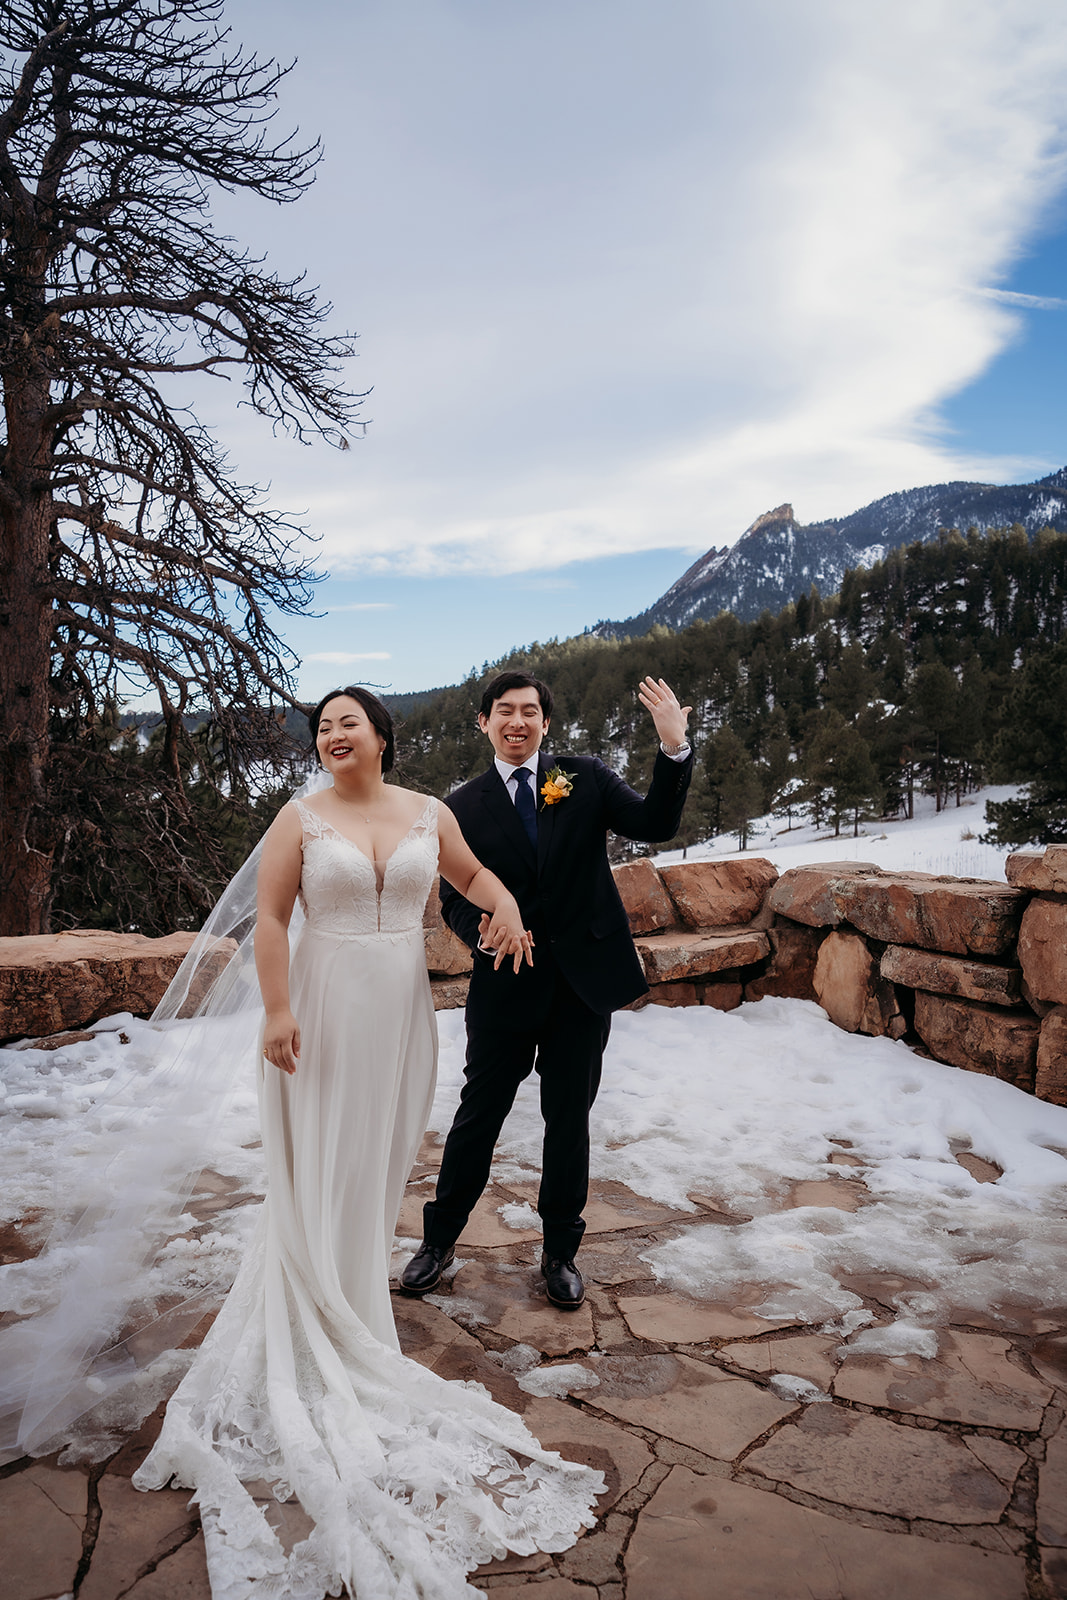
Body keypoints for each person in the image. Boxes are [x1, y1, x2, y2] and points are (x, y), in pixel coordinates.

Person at [130, 688, 604, 1599]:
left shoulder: (427, 812)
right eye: (322, 727)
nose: (333, 735)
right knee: (325, 1165)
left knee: (379, 1162)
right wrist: (275, 1009)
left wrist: (505, 908)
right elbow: (269, 921)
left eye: (349, 722)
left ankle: (355, 1301)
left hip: (400, 1012)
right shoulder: (298, 819)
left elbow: (471, 880)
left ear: (381, 736)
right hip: (321, 1008)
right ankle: (328, 1316)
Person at [402, 672, 693, 1310]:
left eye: (530, 712)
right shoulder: (461, 806)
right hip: (504, 987)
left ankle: (560, 1252)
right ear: (483, 722)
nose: (517, 722)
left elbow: (655, 822)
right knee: (478, 1116)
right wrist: (481, 930)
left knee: (569, 1121)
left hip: (580, 986)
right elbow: (452, 897)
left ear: (546, 722)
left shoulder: (582, 776)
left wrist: (673, 748)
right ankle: (439, 1240)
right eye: (504, 712)